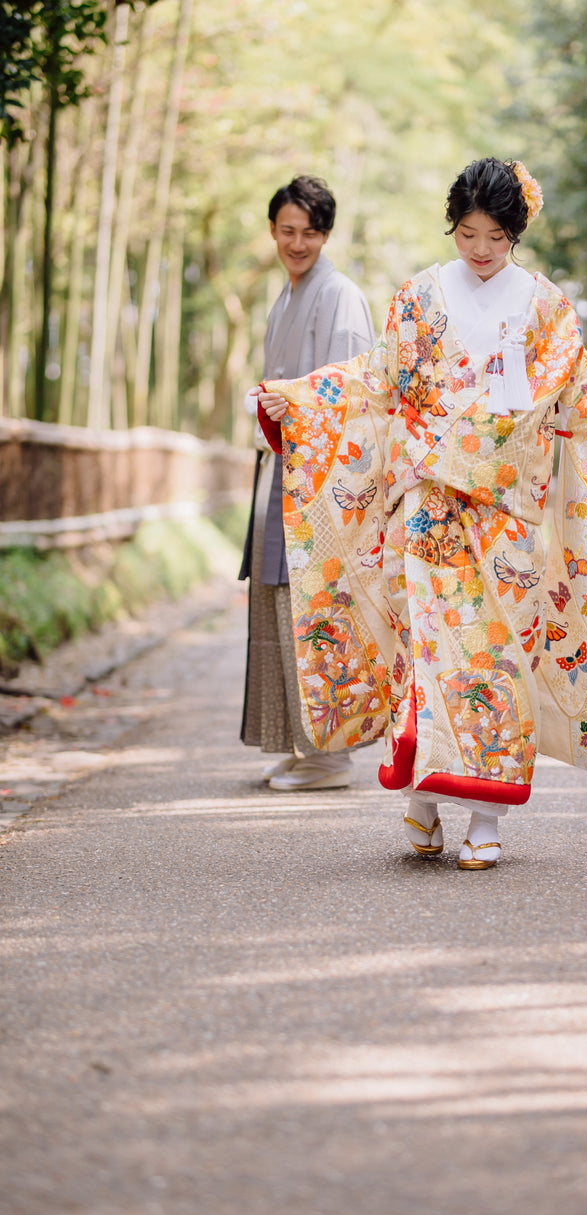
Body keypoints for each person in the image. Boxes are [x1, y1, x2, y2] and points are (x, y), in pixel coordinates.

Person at [253, 157, 587, 865]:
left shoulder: (545, 306)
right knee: (431, 650)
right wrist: (304, 398)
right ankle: (422, 799)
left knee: (496, 658)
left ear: (517, 233)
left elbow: (586, 392)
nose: (478, 250)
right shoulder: (419, 296)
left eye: (495, 238)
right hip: (430, 503)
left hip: (508, 509)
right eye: (467, 233)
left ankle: (483, 820)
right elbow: (378, 379)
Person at [239, 175, 375, 791]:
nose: (298, 243)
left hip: (322, 479)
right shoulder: (285, 299)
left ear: (326, 234)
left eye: (311, 232)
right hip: (284, 470)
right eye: (288, 231)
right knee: (279, 603)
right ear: (272, 230)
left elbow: (352, 389)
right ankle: (301, 743)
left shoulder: (339, 295)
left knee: (315, 610)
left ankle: (330, 753)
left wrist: (289, 405)